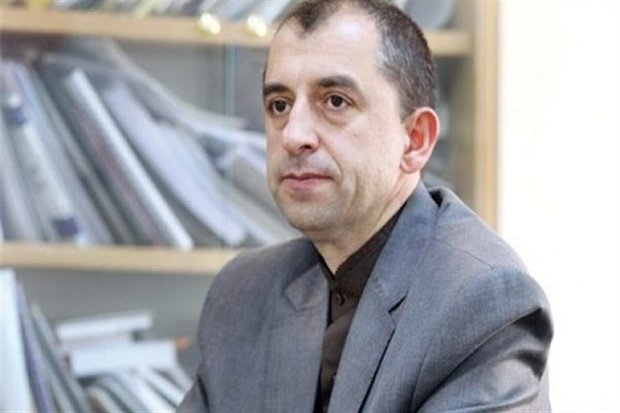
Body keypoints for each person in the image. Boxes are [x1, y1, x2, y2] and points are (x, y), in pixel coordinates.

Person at [177, 0, 553, 411]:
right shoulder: (243, 292)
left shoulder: (482, 300)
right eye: (279, 105)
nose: (293, 135)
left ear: (416, 140)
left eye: (335, 101)